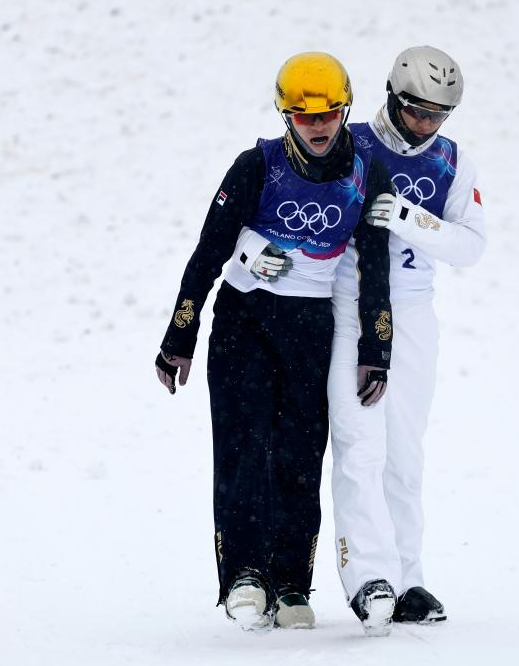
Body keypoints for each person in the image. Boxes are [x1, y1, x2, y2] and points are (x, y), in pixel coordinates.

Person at [154, 52, 394, 631]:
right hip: (245, 321)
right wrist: (180, 334)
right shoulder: (255, 165)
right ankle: (244, 574)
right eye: (305, 116)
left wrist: (376, 350)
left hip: (311, 327)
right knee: (244, 445)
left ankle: (289, 584)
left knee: (299, 453)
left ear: (345, 110)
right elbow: (209, 251)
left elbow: (375, 269)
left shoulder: (369, 175)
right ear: (286, 115)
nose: (318, 126)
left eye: (329, 114)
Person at [327, 46, 486, 636]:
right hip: (350, 309)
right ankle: (368, 578)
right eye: (416, 110)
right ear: (392, 97)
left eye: (438, 114)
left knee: (404, 453)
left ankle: (407, 578)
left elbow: (471, 246)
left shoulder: (452, 161)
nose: (425, 124)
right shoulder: (349, 146)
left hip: (414, 313)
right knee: (360, 446)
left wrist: (411, 217)